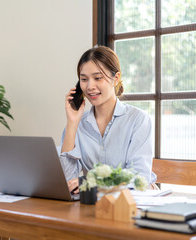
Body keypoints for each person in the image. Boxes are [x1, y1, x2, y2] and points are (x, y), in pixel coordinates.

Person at [57, 46, 156, 194]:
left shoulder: (138, 120)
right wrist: (72, 123)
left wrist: (94, 182)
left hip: (133, 203)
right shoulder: (78, 124)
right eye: (84, 79)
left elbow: (139, 177)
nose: (90, 86)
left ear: (115, 79)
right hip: (94, 205)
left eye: (98, 78)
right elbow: (67, 180)